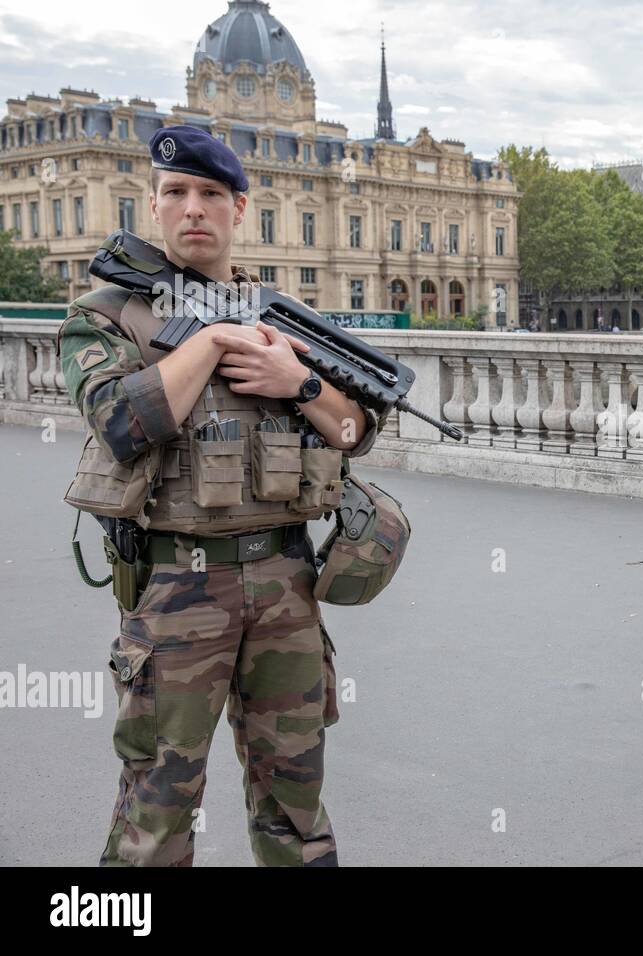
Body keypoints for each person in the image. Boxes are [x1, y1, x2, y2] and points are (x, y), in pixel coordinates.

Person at [58, 124, 384, 865]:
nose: (193, 208)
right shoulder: (105, 317)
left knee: (295, 800)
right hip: (174, 587)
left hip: (284, 584)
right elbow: (121, 421)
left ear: (241, 208)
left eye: (211, 194)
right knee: (158, 804)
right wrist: (210, 342)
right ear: (152, 204)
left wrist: (295, 383)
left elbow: (351, 431)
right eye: (175, 193)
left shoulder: (284, 320)